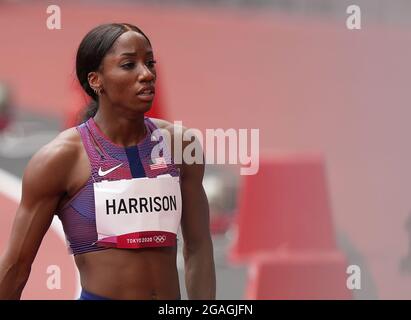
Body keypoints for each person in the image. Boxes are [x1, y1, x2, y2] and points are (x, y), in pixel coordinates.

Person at [0, 23, 216, 300]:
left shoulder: (181, 146)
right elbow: (16, 267)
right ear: (95, 80)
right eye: (129, 65)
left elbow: (198, 247)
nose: (147, 74)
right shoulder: (61, 159)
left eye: (149, 63)